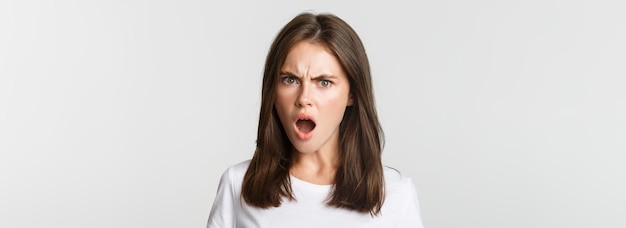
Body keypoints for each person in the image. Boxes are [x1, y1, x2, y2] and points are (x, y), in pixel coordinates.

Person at [207, 12, 424, 228]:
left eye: (324, 82)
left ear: (352, 94)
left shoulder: (396, 194)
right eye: (290, 80)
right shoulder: (238, 185)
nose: (304, 99)